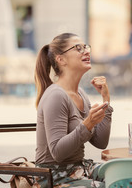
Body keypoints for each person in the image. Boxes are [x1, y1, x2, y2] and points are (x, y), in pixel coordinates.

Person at [34, 33, 113, 187]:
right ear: (61, 59)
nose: (86, 51)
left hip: (79, 168)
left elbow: (101, 142)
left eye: (85, 47)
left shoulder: (80, 93)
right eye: (78, 48)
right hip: (54, 176)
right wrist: (88, 124)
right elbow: (57, 153)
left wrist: (106, 101)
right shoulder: (56, 95)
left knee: (120, 175)